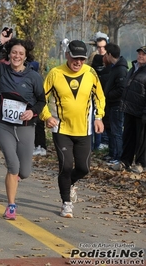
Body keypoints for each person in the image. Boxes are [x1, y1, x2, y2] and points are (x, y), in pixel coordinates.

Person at [0, 31, 46, 220]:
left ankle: (14, 178)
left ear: (26, 57)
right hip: (5, 127)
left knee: (24, 172)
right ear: (9, 54)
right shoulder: (1, 70)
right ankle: (11, 206)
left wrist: (32, 111)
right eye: (14, 52)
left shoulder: (34, 77)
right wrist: (0, 41)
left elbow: (42, 101)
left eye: (21, 54)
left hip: (26, 127)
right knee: (13, 166)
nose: (17, 56)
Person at [40, 40, 105, 218]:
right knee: (66, 166)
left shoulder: (90, 73)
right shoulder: (55, 73)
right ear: (67, 55)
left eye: (82, 59)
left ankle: (70, 183)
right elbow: (40, 99)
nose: (78, 62)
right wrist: (46, 116)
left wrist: (99, 117)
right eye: (75, 58)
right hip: (61, 129)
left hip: (84, 130)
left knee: (84, 168)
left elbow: (99, 96)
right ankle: (66, 203)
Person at [111, 45, 146, 174]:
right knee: (128, 137)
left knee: (142, 140)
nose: (140, 56)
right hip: (129, 109)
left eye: (143, 54)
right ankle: (125, 161)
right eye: (139, 53)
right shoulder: (134, 68)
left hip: (141, 111)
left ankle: (140, 163)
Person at [102, 43, 127, 165]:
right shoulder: (114, 68)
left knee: (116, 131)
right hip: (111, 105)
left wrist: (108, 95)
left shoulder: (121, 69)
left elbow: (121, 89)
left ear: (109, 54)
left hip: (117, 105)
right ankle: (112, 153)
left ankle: (118, 156)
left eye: (106, 53)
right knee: (111, 130)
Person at [90, 32, 111, 152]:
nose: (101, 49)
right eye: (99, 47)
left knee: (106, 119)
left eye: (103, 47)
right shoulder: (95, 59)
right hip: (95, 94)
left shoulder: (112, 61)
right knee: (94, 118)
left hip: (108, 95)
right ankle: (95, 145)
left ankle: (105, 141)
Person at [29, 60, 47, 156]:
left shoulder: (37, 77)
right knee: (35, 127)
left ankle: (41, 146)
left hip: (38, 106)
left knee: (38, 126)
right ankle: (37, 146)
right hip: (33, 106)